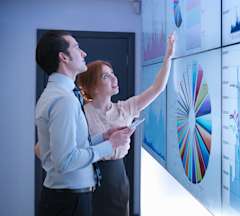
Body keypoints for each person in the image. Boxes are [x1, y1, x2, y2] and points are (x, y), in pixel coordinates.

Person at [35, 30, 134, 216]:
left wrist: (103, 137)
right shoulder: (63, 99)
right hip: (69, 202)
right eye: (77, 48)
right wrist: (110, 145)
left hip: (67, 198)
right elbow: (65, 161)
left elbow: (72, 148)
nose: (84, 54)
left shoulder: (61, 95)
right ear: (63, 57)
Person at [75, 33, 175, 216]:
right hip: (88, 178)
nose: (114, 79)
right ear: (93, 86)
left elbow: (157, 88)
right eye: (106, 76)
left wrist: (168, 57)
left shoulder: (125, 109)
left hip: (118, 178)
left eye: (113, 74)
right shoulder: (81, 113)